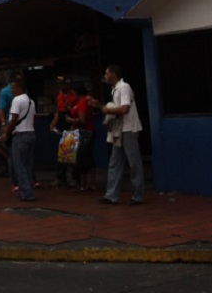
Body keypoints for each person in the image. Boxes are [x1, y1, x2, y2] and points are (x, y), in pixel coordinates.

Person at [91, 64, 145, 205]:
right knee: (115, 162)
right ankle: (111, 195)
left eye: (106, 73)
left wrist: (105, 109)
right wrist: (100, 106)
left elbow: (124, 109)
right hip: (120, 129)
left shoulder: (123, 87)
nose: (105, 76)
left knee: (133, 163)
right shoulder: (115, 89)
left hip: (129, 129)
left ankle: (138, 195)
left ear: (113, 74)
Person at [1, 79, 36, 201]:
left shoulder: (17, 100)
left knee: (19, 165)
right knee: (28, 164)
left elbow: (14, 119)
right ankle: (29, 189)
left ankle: (26, 192)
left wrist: (6, 133)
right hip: (31, 134)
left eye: (13, 88)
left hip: (20, 135)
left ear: (19, 88)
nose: (11, 90)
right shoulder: (31, 101)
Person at [50, 77, 78, 187]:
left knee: (71, 152)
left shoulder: (74, 95)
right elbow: (58, 111)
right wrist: (53, 123)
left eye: (63, 84)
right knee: (61, 152)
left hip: (70, 124)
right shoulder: (60, 95)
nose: (61, 86)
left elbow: (75, 112)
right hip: (61, 124)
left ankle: (75, 178)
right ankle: (61, 177)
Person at [68, 84, 96, 192]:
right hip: (85, 131)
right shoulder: (81, 101)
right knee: (87, 156)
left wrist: (70, 120)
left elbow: (82, 119)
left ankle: (85, 183)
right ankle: (89, 183)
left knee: (82, 157)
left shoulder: (83, 101)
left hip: (85, 132)